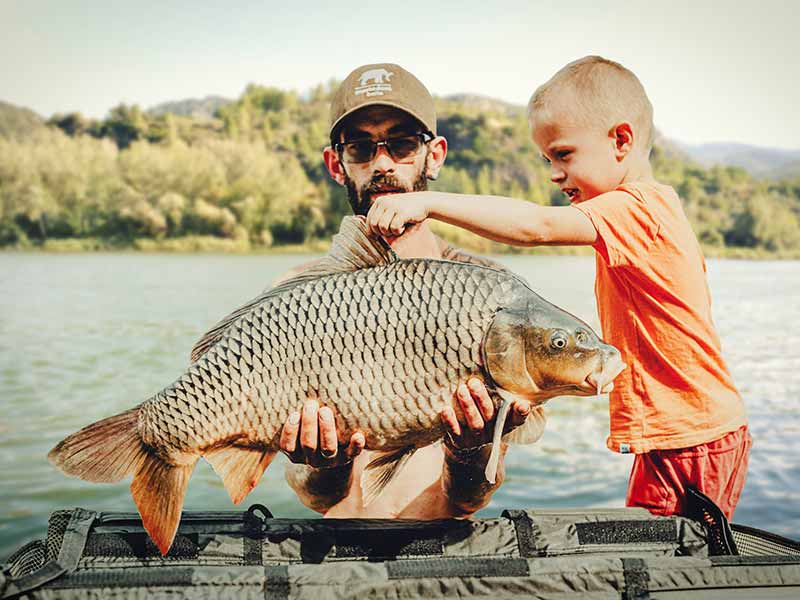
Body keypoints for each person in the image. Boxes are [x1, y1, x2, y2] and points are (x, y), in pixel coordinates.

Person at [366, 56, 751, 520]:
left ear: (621, 141)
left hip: (694, 435)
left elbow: (538, 226)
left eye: (564, 155)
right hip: (683, 433)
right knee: (657, 553)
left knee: (674, 565)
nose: (553, 173)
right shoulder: (641, 213)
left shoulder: (638, 209)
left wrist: (426, 202)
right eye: (547, 159)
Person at [277, 63, 533, 519]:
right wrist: (326, 465)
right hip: (338, 558)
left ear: (434, 155)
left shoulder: (489, 296)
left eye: (401, 144)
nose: (381, 163)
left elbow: (472, 498)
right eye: (360, 147)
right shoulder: (298, 299)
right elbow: (317, 498)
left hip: (443, 553)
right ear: (337, 164)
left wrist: (468, 452)